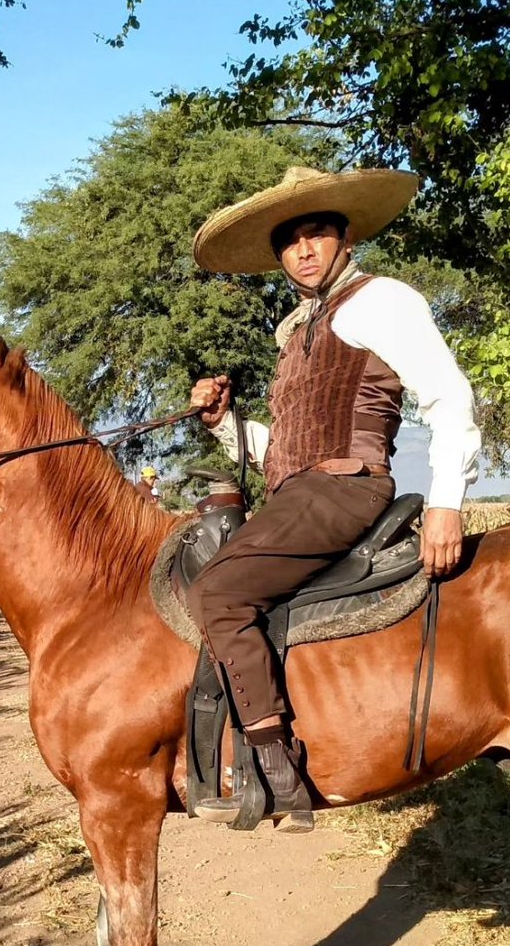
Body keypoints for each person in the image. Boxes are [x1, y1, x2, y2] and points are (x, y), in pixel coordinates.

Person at [185, 166, 481, 831]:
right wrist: (224, 424)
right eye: (289, 242)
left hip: (345, 488)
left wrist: (446, 502)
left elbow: (448, 394)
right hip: (302, 491)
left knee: (219, 592)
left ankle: (276, 769)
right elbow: (285, 452)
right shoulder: (299, 331)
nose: (304, 250)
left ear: (346, 237)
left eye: (316, 233)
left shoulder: (381, 301)